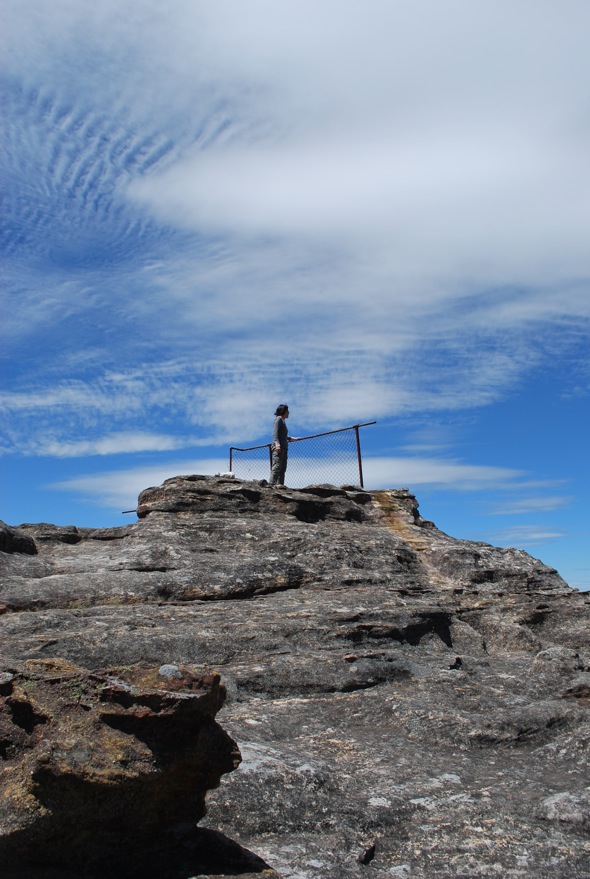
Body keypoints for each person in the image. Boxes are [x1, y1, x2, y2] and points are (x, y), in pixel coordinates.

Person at [269, 404, 299, 486]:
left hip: (284, 447)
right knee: (277, 466)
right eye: (287, 411)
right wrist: (277, 445)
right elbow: (275, 434)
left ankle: (280, 485)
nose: (288, 413)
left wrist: (293, 439)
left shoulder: (283, 421)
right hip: (279, 447)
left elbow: (284, 436)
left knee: (282, 468)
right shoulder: (278, 419)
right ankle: (271, 485)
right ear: (283, 412)